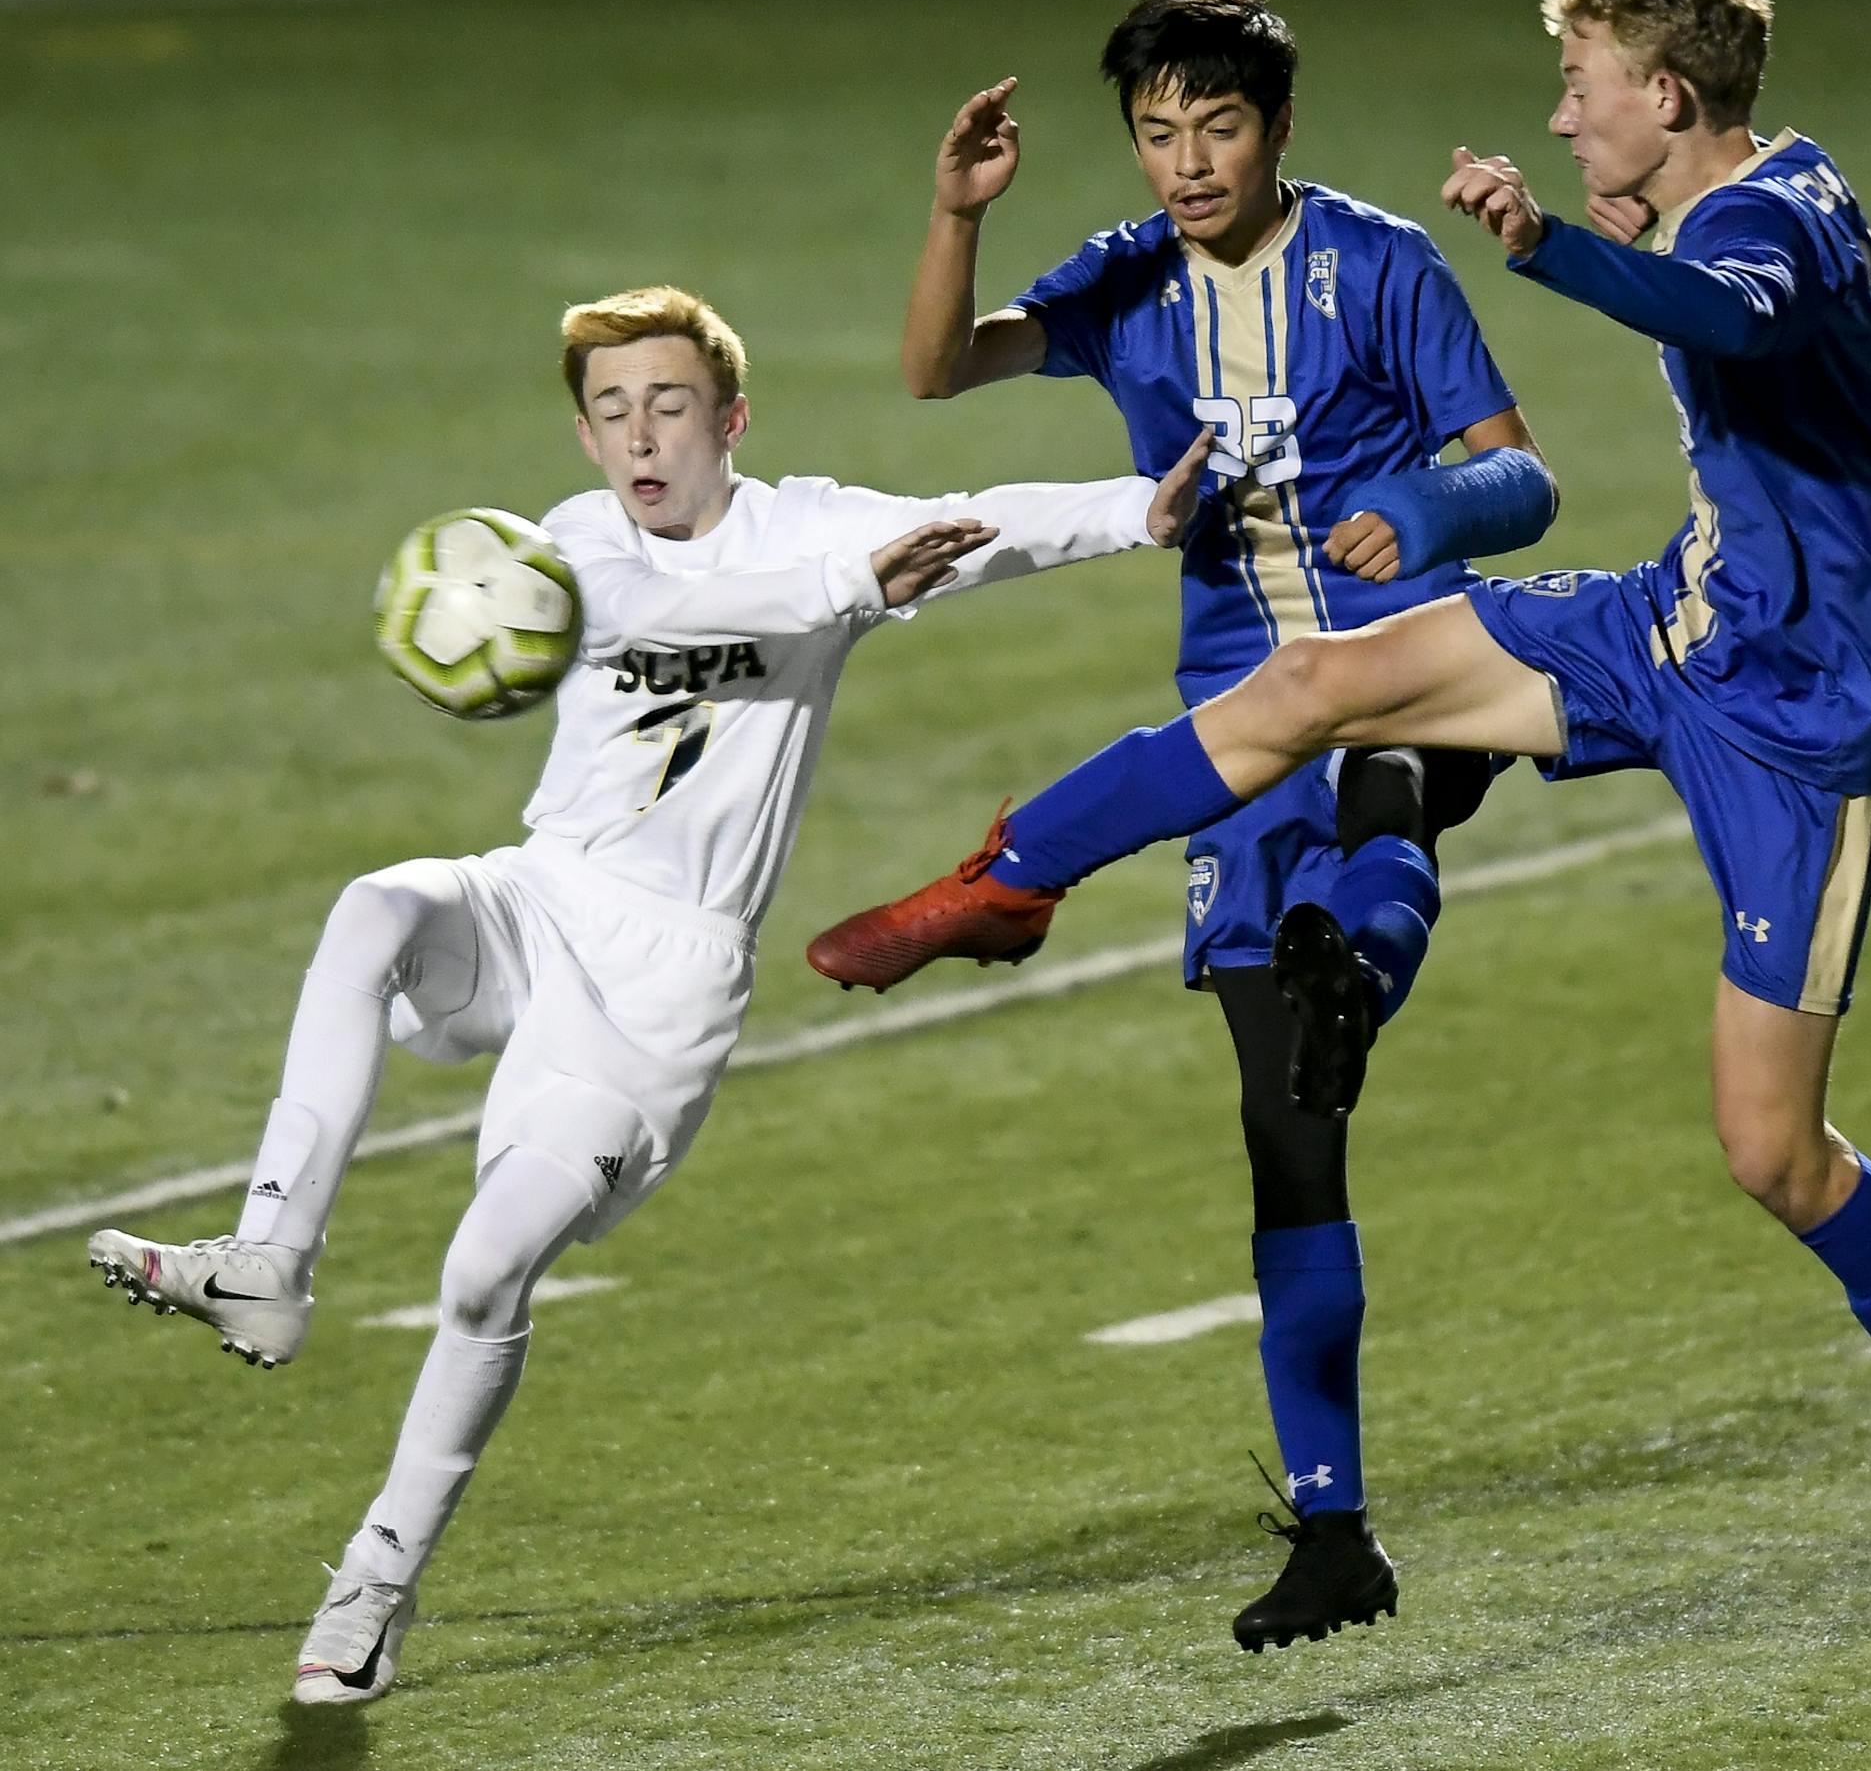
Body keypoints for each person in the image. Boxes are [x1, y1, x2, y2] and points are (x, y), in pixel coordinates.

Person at [807, 0, 1871, 1592]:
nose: (1561, 114)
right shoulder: (1739, 191)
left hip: (1803, 721)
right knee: (1320, 682)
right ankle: (1006, 882)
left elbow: (1732, 311)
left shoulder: (1768, 224)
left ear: (1662, 99)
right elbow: (945, 358)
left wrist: (1546, 246)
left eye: (1582, 90)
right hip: (1669, 625)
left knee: (1773, 1150)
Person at [87, 285, 1211, 1703]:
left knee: (486, 1268)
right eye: (612, 409)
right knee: (375, 905)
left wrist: (1139, 511)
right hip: (538, 899)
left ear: (730, 419)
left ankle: (373, 1585)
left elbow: (975, 518)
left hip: (664, 987)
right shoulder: (564, 553)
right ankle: (268, 1259)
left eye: (669, 405)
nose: (640, 436)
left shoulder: (809, 524)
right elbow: (691, 611)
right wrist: (852, 589)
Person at [807, 0, 1558, 1651]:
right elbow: (940, 371)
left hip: (1416, 652)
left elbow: (1525, 473)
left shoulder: (1380, 267)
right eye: (1156, 130)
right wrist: (954, 215)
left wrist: (1423, 500)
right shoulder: (1130, 274)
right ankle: (1334, 1530)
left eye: (1216, 125)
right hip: (1236, 719)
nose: (1185, 160)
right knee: (1289, 1127)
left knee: (1390, 792)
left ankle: (1037, 886)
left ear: (1278, 127)